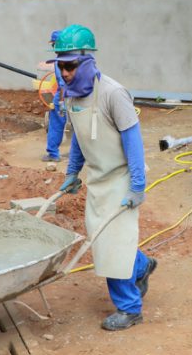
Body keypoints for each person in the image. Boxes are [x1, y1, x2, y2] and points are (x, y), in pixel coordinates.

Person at [48, 24, 157, 331]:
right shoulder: (70, 97)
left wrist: (137, 186)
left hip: (123, 178)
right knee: (105, 241)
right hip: (98, 179)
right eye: (61, 66)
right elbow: (80, 141)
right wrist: (72, 172)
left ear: (86, 61)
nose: (65, 73)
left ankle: (130, 308)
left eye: (70, 66)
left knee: (110, 245)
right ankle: (141, 265)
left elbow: (134, 143)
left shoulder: (113, 94)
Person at [42, 30, 67, 162]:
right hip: (78, 96)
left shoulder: (59, 61)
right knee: (81, 126)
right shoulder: (75, 58)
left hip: (63, 96)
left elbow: (62, 84)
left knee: (56, 124)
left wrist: (62, 102)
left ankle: (53, 153)